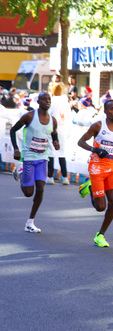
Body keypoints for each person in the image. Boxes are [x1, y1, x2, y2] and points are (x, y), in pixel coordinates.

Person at [77, 100, 113, 247]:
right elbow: (81, 142)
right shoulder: (98, 126)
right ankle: (90, 187)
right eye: (111, 109)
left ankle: (100, 235)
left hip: (112, 169)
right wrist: (95, 150)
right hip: (96, 168)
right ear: (105, 111)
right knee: (100, 207)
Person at [9, 92, 59, 233]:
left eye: (49, 99)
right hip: (29, 157)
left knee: (41, 188)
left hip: (43, 158)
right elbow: (13, 130)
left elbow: (53, 132)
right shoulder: (30, 116)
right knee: (28, 193)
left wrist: (56, 142)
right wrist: (16, 149)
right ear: (38, 101)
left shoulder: (53, 120)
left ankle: (30, 221)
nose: (47, 101)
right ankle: (20, 172)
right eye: (44, 99)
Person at [47, 84, 71, 185]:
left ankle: (50, 176)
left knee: (51, 153)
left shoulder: (52, 101)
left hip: (53, 128)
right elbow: (69, 116)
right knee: (61, 153)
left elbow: (48, 114)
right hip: (63, 129)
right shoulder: (65, 103)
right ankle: (65, 177)